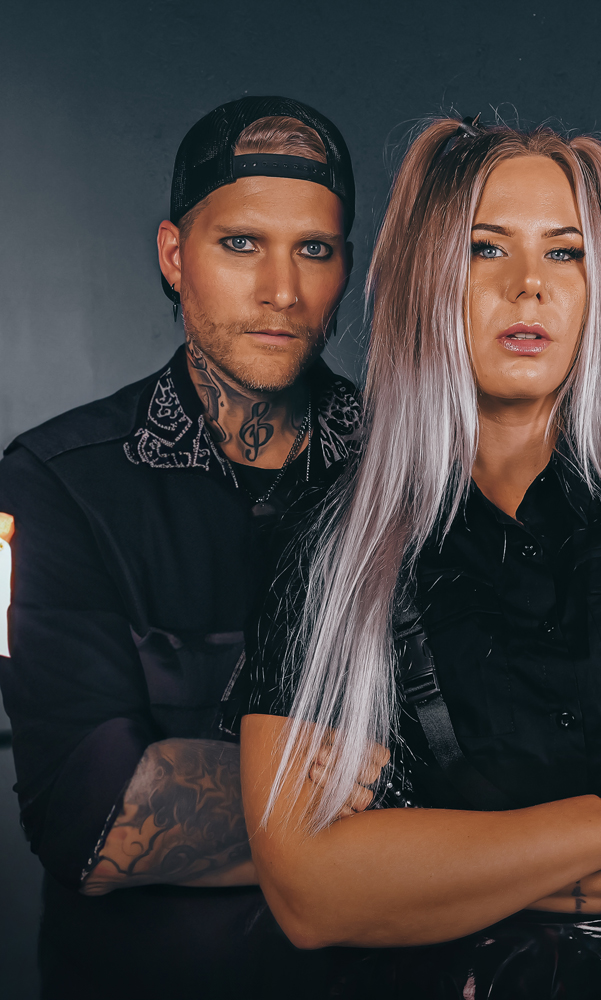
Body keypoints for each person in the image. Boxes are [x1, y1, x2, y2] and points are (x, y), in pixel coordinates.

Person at [232, 116, 601, 998]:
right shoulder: (329, 540)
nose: (529, 287)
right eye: (486, 249)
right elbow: (313, 896)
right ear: (428, 275)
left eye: (565, 252)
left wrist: (429, 871)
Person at [0, 96, 366, 998]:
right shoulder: (50, 482)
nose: (282, 290)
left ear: (346, 267)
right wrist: (432, 800)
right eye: (241, 243)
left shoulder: (415, 469)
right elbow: (93, 820)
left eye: (314, 250)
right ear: (174, 255)